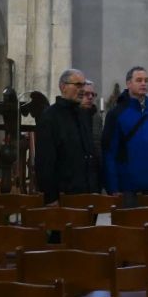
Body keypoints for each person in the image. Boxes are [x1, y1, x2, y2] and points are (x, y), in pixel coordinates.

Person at [102, 66, 148, 204]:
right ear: (128, 83)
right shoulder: (116, 113)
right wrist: (112, 186)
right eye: (139, 80)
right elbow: (109, 152)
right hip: (127, 187)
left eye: (146, 80)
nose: (144, 83)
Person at [35, 69, 99, 204]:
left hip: (88, 192)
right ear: (63, 87)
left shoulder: (83, 114)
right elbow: (45, 161)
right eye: (78, 85)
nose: (82, 89)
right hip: (64, 194)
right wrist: (51, 197)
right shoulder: (50, 117)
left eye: (83, 85)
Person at [81, 80, 103, 145]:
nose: (90, 97)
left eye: (93, 94)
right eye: (86, 94)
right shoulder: (71, 116)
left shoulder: (97, 118)